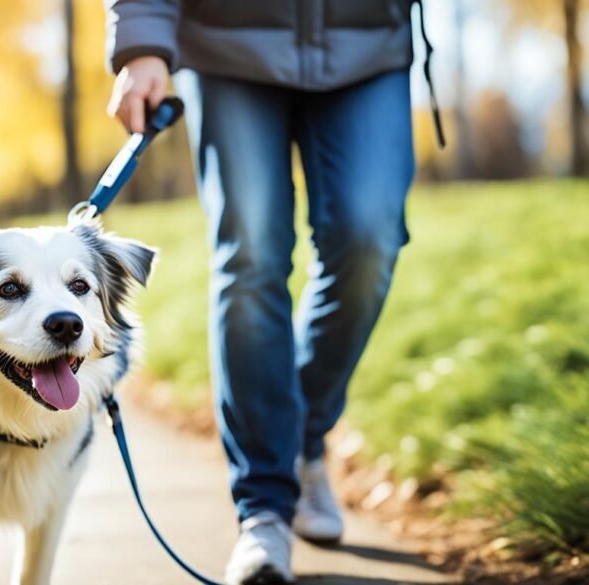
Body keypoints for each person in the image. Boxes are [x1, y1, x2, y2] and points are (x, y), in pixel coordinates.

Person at [106, 1, 438, 582]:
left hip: (369, 42)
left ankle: (302, 438)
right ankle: (264, 506)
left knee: (370, 237)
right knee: (252, 252)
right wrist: (141, 42)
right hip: (228, 41)